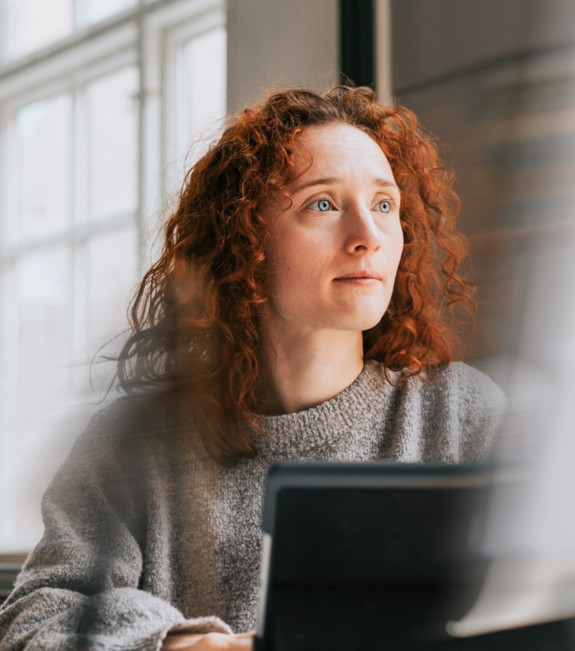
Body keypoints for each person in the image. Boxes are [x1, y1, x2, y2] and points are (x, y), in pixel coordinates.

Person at [0, 85, 506, 651]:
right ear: (246, 240)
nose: (369, 237)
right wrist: (182, 646)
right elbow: (37, 619)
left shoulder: (466, 415)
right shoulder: (128, 445)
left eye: (384, 205)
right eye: (323, 204)